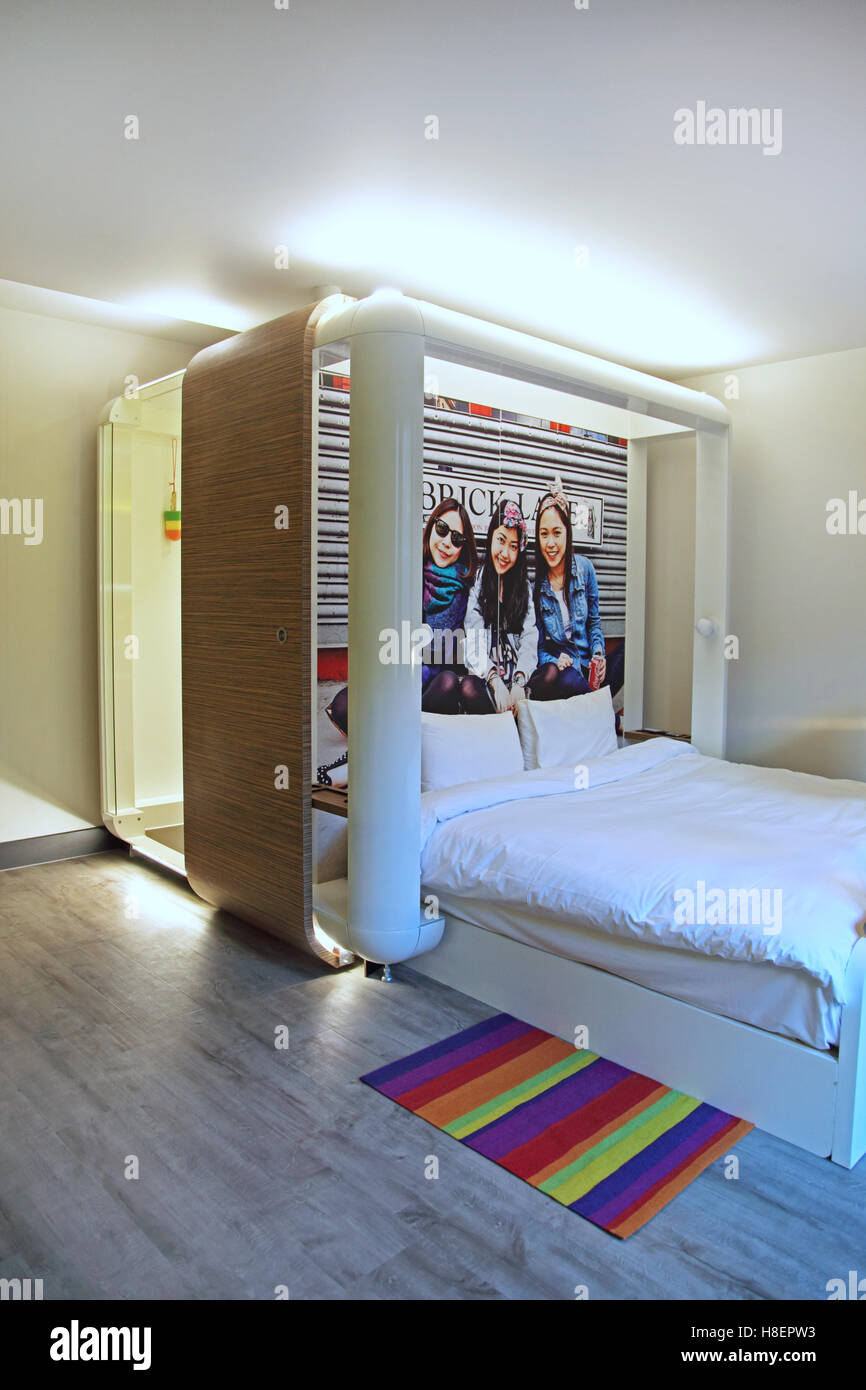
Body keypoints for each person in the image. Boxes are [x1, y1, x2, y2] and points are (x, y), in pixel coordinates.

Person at [325, 499, 480, 734]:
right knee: (343, 705)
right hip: (397, 672)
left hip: (432, 682)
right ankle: (403, 728)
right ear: (430, 527)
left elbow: (441, 651)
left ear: (462, 548)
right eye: (442, 530)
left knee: (448, 683)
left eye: (457, 539)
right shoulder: (409, 568)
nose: (447, 542)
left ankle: (392, 730)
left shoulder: (464, 587)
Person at [529, 481, 623, 704]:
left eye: (556, 533)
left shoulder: (585, 569)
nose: (550, 543)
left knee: (630, 652)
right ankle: (599, 708)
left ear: (567, 534)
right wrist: (555, 660)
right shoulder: (537, 590)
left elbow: (593, 622)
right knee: (566, 680)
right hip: (567, 671)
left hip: (589, 666)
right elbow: (539, 647)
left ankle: (595, 705)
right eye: (544, 534)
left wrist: (599, 655)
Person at [463, 499, 538, 713]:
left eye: (513, 546)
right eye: (501, 540)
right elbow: (473, 643)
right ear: (490, 538)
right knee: (468, 687)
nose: (505, 553)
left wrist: (519, 681)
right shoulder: (479, 582)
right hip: (488, 678)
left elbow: (529, 638)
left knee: (552, 676)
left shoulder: (524, 587)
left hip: (519, 680)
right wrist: (494, 680)